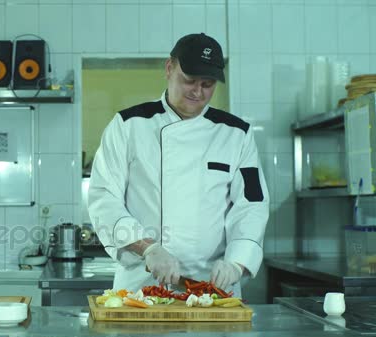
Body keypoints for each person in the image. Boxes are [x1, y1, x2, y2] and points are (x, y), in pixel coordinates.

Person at [88, 33, 269, 297]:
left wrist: (237, 263)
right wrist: (148, 248)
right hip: (142, 282)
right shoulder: (128, 126)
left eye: (207, 84)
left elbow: (251, 205)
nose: (198, 91)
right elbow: (104, 199)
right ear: (169, 68)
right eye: (189, 81)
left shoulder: (235, 134)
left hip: (212, 288)